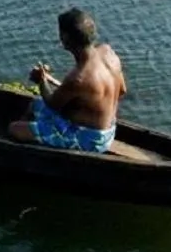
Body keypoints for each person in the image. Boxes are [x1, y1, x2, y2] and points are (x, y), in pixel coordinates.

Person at [8, 8, 126, 154]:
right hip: (109, 131)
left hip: (89, 140)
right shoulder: (108, 53)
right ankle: (39, 133)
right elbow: (122, 90)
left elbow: (52, 104)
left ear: (65, 38)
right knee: (35, 104)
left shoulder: (78, 78)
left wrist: (41, 81)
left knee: (15, 129)